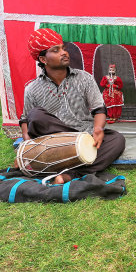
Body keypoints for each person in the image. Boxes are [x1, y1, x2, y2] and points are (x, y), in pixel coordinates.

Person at [21, 28, 126, 184]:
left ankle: (70, 173)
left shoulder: (84, 78)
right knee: (36, 116)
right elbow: (25, 119)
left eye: (63, 48)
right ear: (43, 60)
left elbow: (99, 109)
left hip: (82, 137)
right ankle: (72, 168)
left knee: (117, 140)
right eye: (56, 51)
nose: (64, 53)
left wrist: (98, 129)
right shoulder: (32, 88)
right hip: (52, 143)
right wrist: (27, 144)